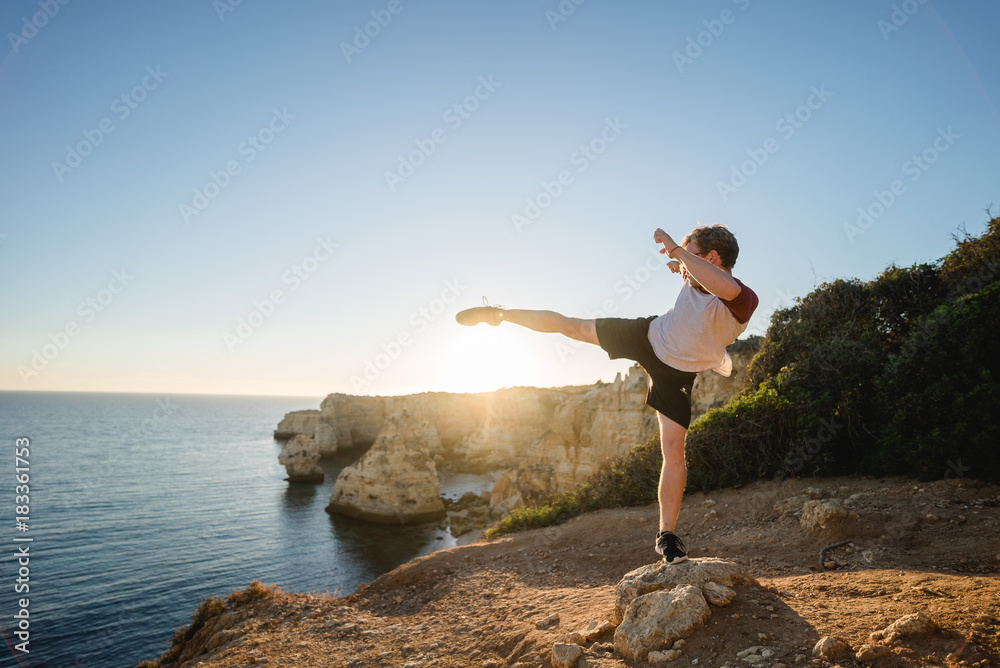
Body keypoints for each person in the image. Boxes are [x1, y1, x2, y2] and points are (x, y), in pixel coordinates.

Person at [455, 224, 758, 564]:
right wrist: (682, 263)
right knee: (573, 326)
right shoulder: (693, 273)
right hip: (648, 335)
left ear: (712, 257)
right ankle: (498, 314)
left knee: (673, 450)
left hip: (676, 374)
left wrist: (676, 250)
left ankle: (667, 536)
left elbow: (719, 284)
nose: (684, 268)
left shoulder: (743, 299)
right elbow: (695, 274)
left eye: (693, 257)